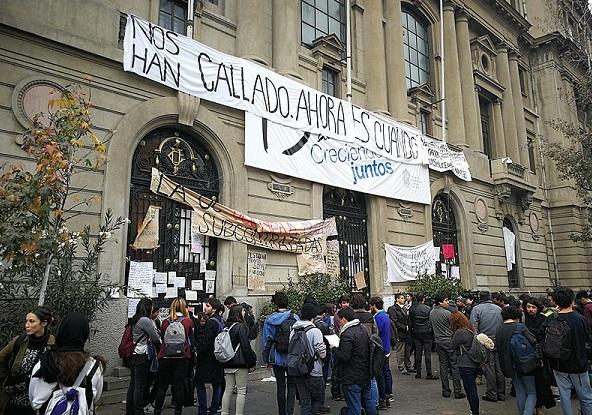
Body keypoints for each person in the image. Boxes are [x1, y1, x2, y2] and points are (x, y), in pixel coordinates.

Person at [29, 312, 105, 413]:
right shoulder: (94, 367)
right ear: (85, 334)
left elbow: (34, 401)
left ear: (61, 331)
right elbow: (94, 399)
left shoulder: (44, 364)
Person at [0, 307, 54, 415]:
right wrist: (4, 377)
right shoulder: (20, 340)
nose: (27, 325)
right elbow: (1, 357)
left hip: (37, 402)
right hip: (13, 399)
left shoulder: (52, 344)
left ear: (44, 323)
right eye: (26, 321)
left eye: (32, 321)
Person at [549, 287, 592, 415]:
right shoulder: (580, 319)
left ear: (556, 301)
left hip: (558, 364)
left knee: (564, 396)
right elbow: (588, 339)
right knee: (586, 397)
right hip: (578, 364)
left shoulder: (551, 318)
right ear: (572, 300)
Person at [331, 307, 376, 415]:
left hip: (351, 376)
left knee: (354, 406)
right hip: (365, 373)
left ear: (343, 319)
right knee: (368, 403)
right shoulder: (363, 329)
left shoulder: (347, 334)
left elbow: (345, 357)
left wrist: (333, 349)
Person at [153, 298, 193, 415]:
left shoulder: (166, 322)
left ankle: (157, 410)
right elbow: (191, 340)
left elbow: (162, 336)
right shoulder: (188, 321)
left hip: (165, 356)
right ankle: (178, 411)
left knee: (162, 386)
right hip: (182, 357)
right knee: (178, 387)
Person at [495, 305, 537, 415]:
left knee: (520, 391)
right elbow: (533, 341)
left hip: (509, 366)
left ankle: (521, 412)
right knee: (531, 392)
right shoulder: (519, 327)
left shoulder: (499, 329)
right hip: (526, 364)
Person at [263, 291, 299, 415]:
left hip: (277, 356)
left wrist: (267, 359)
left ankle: (282, 413)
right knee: (292, 386)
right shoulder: (295, 317)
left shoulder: (270, 319)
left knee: (280, 386)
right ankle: (290, 411)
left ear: (275, 304)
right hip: (293, 356)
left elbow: (266, 341)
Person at [125, 298, 161, 415]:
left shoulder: (135, 319)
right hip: (142, 355)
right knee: (140, 386)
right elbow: (155, 338)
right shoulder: (145, 320)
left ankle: (130, 411)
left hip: (134, 355)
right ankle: (139, 411)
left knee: (133, 384)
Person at [291, 302, 327, 415]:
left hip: (299, 369)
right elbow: (321, 350)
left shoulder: (294, 329)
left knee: (305, 401)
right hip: (314, 370)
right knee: (317, 400)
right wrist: (324, 356)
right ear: (313, 315)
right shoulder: (315, 331)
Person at [221, 305, 257, 415]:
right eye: (243, 311)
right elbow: (245, 346)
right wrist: (251, 362)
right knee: (241, 391)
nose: (244, 313)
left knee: (228, 390)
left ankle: (224, 412)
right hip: (240, 362)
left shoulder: (225, 326)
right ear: (238, 314)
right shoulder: (240, 327)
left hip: (227, 361)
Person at [522, 297, 555, 414]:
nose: (530, 309)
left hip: (540, 355)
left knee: (541, 382)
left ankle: (540, 406)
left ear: (538, 308)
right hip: (527, 354)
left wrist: (527, 331)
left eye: (533, 307)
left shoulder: (543, 318)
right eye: (528, 307)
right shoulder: (524, 318)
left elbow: (541, 333)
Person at [470, 290, 504, 402]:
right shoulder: (498, 309)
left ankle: (492, 394)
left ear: (480, 297)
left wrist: (476, 342)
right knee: (499, 368)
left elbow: (473, 327)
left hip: (484, 342)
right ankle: (501, 393)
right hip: (498, 341)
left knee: (489, 369)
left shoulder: (476, 309)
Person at [429, 293, 464, 399]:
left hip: (439, 341)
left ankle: (445, 390)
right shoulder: (447, 313)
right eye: (446, 300)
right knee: (454, 365)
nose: (447, 302)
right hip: (449, 340)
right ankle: (457, 390)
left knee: (443, 365)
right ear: (440, 302)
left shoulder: (432, 312)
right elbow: (455, 326)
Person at [196, 297, 225, 415]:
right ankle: (214, 408)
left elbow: (206, 342)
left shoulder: (211, 322)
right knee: (217, 382)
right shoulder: (220, 320)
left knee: (199, 382)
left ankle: (203, 410)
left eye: (208, 306)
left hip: (207, 357)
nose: (205, 308)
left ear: (214, 308)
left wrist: (199, 351)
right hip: (218, 356)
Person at [450, 311, 480, 415]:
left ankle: (474, 411)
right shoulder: (471, 329)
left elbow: (452, 345)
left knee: (470, 389)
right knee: (472, 389)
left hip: (465, 363)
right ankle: (474, 410)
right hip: (474, 362)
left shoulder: (460, 332)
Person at [369, 296, 393, 408]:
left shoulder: (377, 318)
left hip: (380, 349)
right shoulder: (386, 316)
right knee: (386, 372)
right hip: (387, 347)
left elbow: (375, 335)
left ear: (373, 306)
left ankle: (382, 397)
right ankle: (388, 394)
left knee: (380, 375)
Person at [408, 293, 437, 380]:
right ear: (423, 299)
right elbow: (431, 321)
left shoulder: (412, 309)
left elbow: (410, 322)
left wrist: (410, 333)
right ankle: (429, 373)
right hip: (427, 333)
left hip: (416, 332)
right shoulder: (428, 309)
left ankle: (418, 372)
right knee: (427, 354)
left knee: (418, 352)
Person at [387, 293, 414, 375]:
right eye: (402, 298)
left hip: (406, 333)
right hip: (399, 333)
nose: (404, 299)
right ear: (397, 299)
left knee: (407, 351)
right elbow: (394, 322)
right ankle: (401, 367)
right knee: (401, 351)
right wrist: (405, 327)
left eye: (404, 298)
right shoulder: (392, 309)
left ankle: (408, 366)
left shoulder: (405, 308)